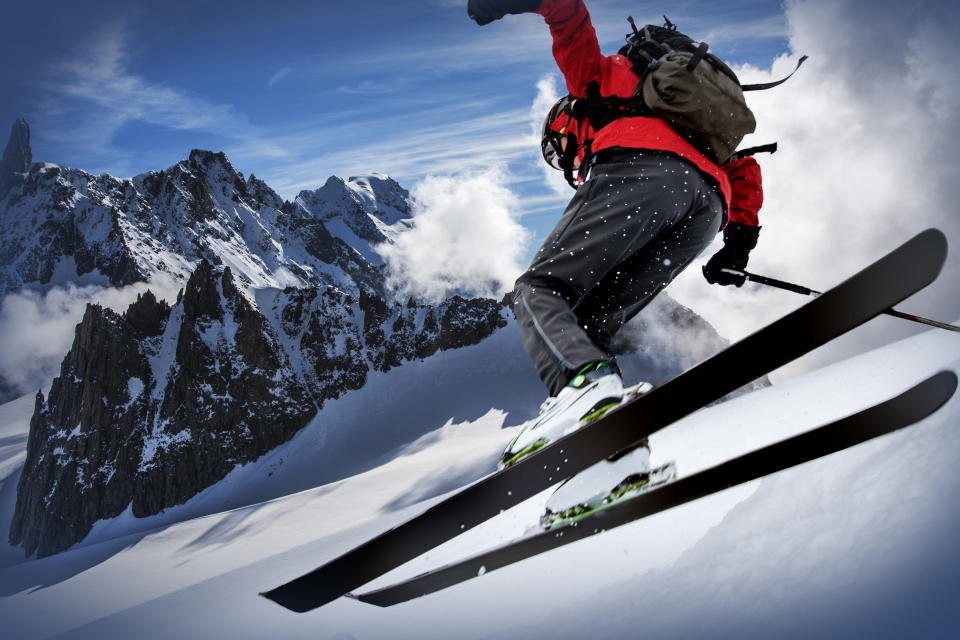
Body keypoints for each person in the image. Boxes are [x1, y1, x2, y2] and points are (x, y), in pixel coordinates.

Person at [469, 0, 765, 478]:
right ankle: (610, 453)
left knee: (539, 290)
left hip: (642, 170)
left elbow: (568, 16)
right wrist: (738, 245)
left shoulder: (595, 83)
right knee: (589, 324)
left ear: (563, 125)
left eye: (557, 150)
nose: (564, 162)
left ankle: (584, 389)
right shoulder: (684, 115)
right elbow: (744, 169)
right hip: (708, 206)